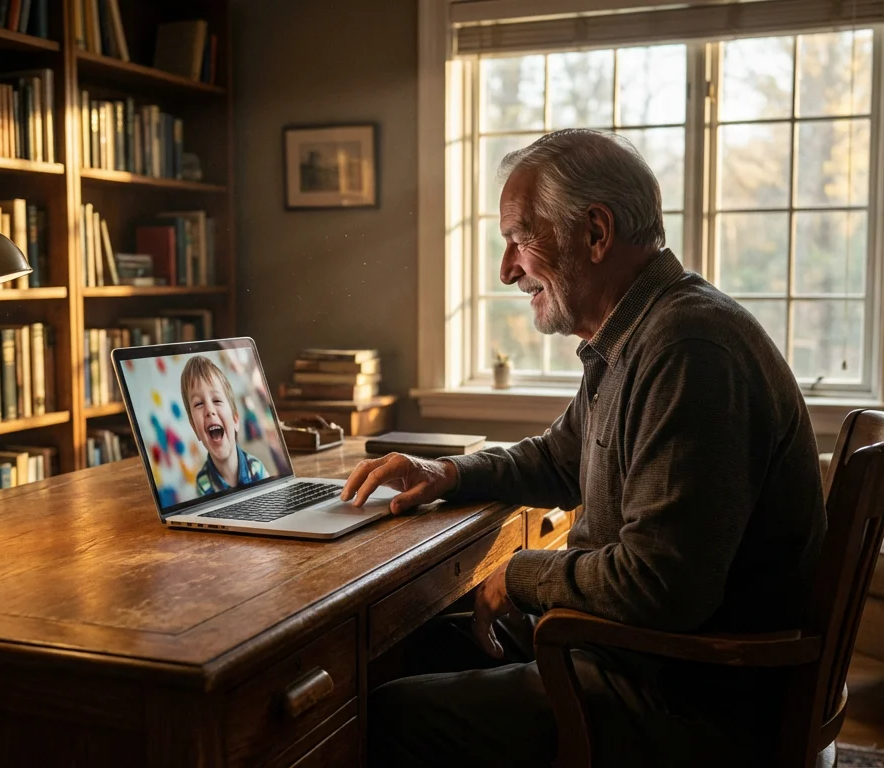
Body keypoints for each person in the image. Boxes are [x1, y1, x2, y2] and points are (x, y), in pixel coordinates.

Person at [341, 129, 827, 766]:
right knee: (409, 653)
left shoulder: (688, 349)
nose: (506, 269)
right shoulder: (636, 334)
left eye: (519, 238)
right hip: (647, 658)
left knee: (380, 721)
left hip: (693, 701)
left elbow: (659, 588)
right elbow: (558, 458)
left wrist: (518, 577)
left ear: (596, 233)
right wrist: (448, 473)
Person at [180, 355, 268, 496]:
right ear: (195, 429)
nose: (209, 410)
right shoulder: (203, 483)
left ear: (235, 420)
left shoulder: (256, 468)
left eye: (216, 400)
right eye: (199, 404)